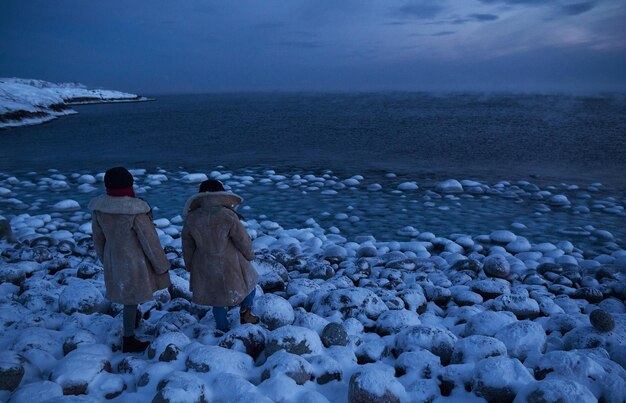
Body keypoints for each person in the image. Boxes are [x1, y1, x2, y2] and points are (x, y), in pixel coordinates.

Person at [89, 167, 171, 353]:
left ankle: (132, 320)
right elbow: (149, 241)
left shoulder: (100, 209)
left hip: (113, 257)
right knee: (132, 298)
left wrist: (105, 259)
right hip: (134, 260)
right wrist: (161, 265)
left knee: (128, 296)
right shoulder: (135, 210)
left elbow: (98, 238)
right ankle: (129, 338)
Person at [182, 179, 259, 332]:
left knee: (216, 298)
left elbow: (187, 245)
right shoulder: (227, 215)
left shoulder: (192, 218)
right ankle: (246, 312)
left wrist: (190, 264)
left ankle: (222, 327)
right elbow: (242, 239)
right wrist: (249, 255)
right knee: (251, 284)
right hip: (231, 262)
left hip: (205, 263)